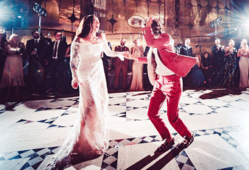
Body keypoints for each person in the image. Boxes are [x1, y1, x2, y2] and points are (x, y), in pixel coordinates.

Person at [46, 15, 124, 170]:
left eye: (98, 22)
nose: (97, 24)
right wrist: (74, 78)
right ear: (88, 24)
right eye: (94, 22)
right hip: (85, 74)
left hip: (98, 73)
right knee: (90, 105)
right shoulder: (78, 40)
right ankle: (81, 141)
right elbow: (73, 62)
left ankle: (93, 138)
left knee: (98, 106)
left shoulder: (101, 37)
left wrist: (122, 54)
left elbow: (108, 52)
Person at [124, 17, 196, 152]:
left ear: (153, 28)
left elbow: (150, 42)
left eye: (148, 29)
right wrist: (132, 57)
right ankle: (168, 139)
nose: (146, 32)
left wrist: (146, 26)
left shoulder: (166, 38)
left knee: (172, 117)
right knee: (152, 113)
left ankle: (188, 136)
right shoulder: (156, 43)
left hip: (172, 82)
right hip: (159, 82)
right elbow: (151, 59)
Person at [0, 34, 25, 100]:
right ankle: (9, 91)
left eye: (16, 37)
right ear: (11, 38)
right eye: (14, 37)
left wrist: (19, 52)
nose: (15, 38)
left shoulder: (20, 44)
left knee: (17, 74)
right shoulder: (7, 44)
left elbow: (23, 51)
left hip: (18, 60)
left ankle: (17, 91)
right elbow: (4, 52)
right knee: (10, 74)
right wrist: (10, 53)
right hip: (10, 60)